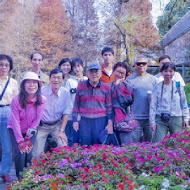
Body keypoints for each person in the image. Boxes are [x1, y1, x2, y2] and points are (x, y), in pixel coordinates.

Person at [7, 71, 46, 180]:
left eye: (34, 82)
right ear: (23, 85)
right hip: (15, 129)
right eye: (28, 82)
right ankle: (20, 179)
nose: (31, 85)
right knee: (20, 153)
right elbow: (15, 121)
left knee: (29, 153)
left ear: (38, 85)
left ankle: (28, 177)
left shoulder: (42, 100)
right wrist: (20, 141)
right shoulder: (16, 100)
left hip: (30, 130)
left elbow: (37, 120)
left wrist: (28, 137)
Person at [33, 68, 72, 157]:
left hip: (57, 125)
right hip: (42, 126)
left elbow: (66, 112)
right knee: (36, 154)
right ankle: (36, 170)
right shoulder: (42, 91)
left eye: (59, 78)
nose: (56, 80)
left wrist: (61, 131)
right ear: (49, 79)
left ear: (63, 80)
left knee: (63, 147)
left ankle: (59, 168)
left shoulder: (65, 93)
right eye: (54, 77)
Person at [72, 63, 113, 146]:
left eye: (96, 72)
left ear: (101, 73)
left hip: (100, 121)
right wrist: (75, 120)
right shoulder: (81, 86)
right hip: (84, 121)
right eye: (91, 72)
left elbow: (109, 107)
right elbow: (76, 105)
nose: (94, 74)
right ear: (87, 74)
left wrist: (110, 122)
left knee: (100, 145)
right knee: (85, 145)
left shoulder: (106, 88)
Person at [150, 62, 189, 142]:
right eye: (166, 71)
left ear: (174, 72)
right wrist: (152, 121)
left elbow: (184, 103)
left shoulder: (178, 86)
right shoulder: (157, 87)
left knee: (177, 142)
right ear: (162, 72)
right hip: (160, 118)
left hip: (176, 117)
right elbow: (153, 105)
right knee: (158, 142)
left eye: (171, 71)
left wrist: (186, 118)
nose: (168, 73)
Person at [127, 55, 157, 143]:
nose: (141, 66)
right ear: (135, 65)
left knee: (151, 144)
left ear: (147, 65)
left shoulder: (153, 79)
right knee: (133, 144)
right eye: (139, 64)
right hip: (135, 118)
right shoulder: (129, 80)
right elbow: (127, 100)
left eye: (143, 63)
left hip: (150, 118)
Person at [0, 54, 18, 183]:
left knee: (7, 146)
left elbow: (16, 102)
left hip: (7, 112)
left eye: (6, 65)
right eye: (1, 64)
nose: (3, 67)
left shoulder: (13, 82)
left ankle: (5, 172)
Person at [64, 58, 87, 145]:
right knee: (72, 140)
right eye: (74, 67)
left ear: (83, 66)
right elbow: (66, 98)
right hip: (71, 116)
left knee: (84, 139)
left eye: (78, 66)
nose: (77, 69)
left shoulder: (87, 80)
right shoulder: (70, 81)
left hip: (85, 116)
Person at [111, 62, 134, 145]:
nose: (120, 74)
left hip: (123, 121)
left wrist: (118, 86)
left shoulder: (127, 86)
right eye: (118, 71)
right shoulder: (108, 85)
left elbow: (125, 102)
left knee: (125, 147)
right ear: (113, 71)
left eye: (122, 73)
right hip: (111, 120)